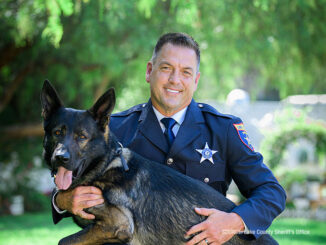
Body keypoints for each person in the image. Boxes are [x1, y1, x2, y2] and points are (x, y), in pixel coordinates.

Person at [52, 32, 286, 244]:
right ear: (148, 71)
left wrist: (233, 221)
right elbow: (70, 176)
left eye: (186, 72)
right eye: (166, 68)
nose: (175, 79)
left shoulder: (222, 129)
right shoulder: (114, 129)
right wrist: (63, 201)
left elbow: (271, 192)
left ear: (195, 80)